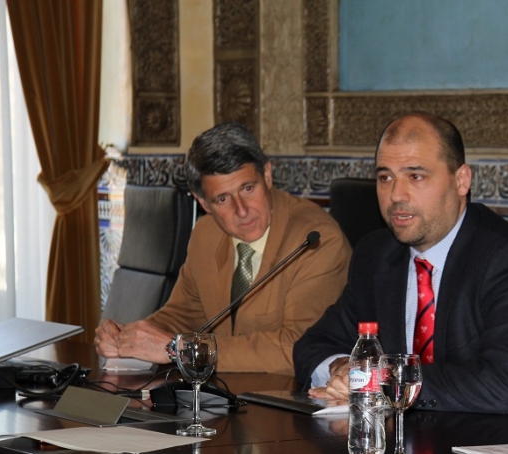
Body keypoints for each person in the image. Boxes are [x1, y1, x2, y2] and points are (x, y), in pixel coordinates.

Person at [292, 111, 508, 413]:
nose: (395, 195)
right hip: (402, 444)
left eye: (416, 176)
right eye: (385, 177)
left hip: (498, 447)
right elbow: (312, 345)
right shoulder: (376, 255)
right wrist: (342, 367)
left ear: (461, 180)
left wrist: (379, 381)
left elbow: (501, 387)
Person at [94, 123, 352, 375]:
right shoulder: (206, 235)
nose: (242, 210)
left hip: (292, 403)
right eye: (222, 199)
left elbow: (298, 347)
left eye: (248, 188)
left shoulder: (317, 241)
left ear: (268, 176)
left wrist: (181, 349)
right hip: (218, 400)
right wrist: (128, 338)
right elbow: (182, 317)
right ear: (203, 202)